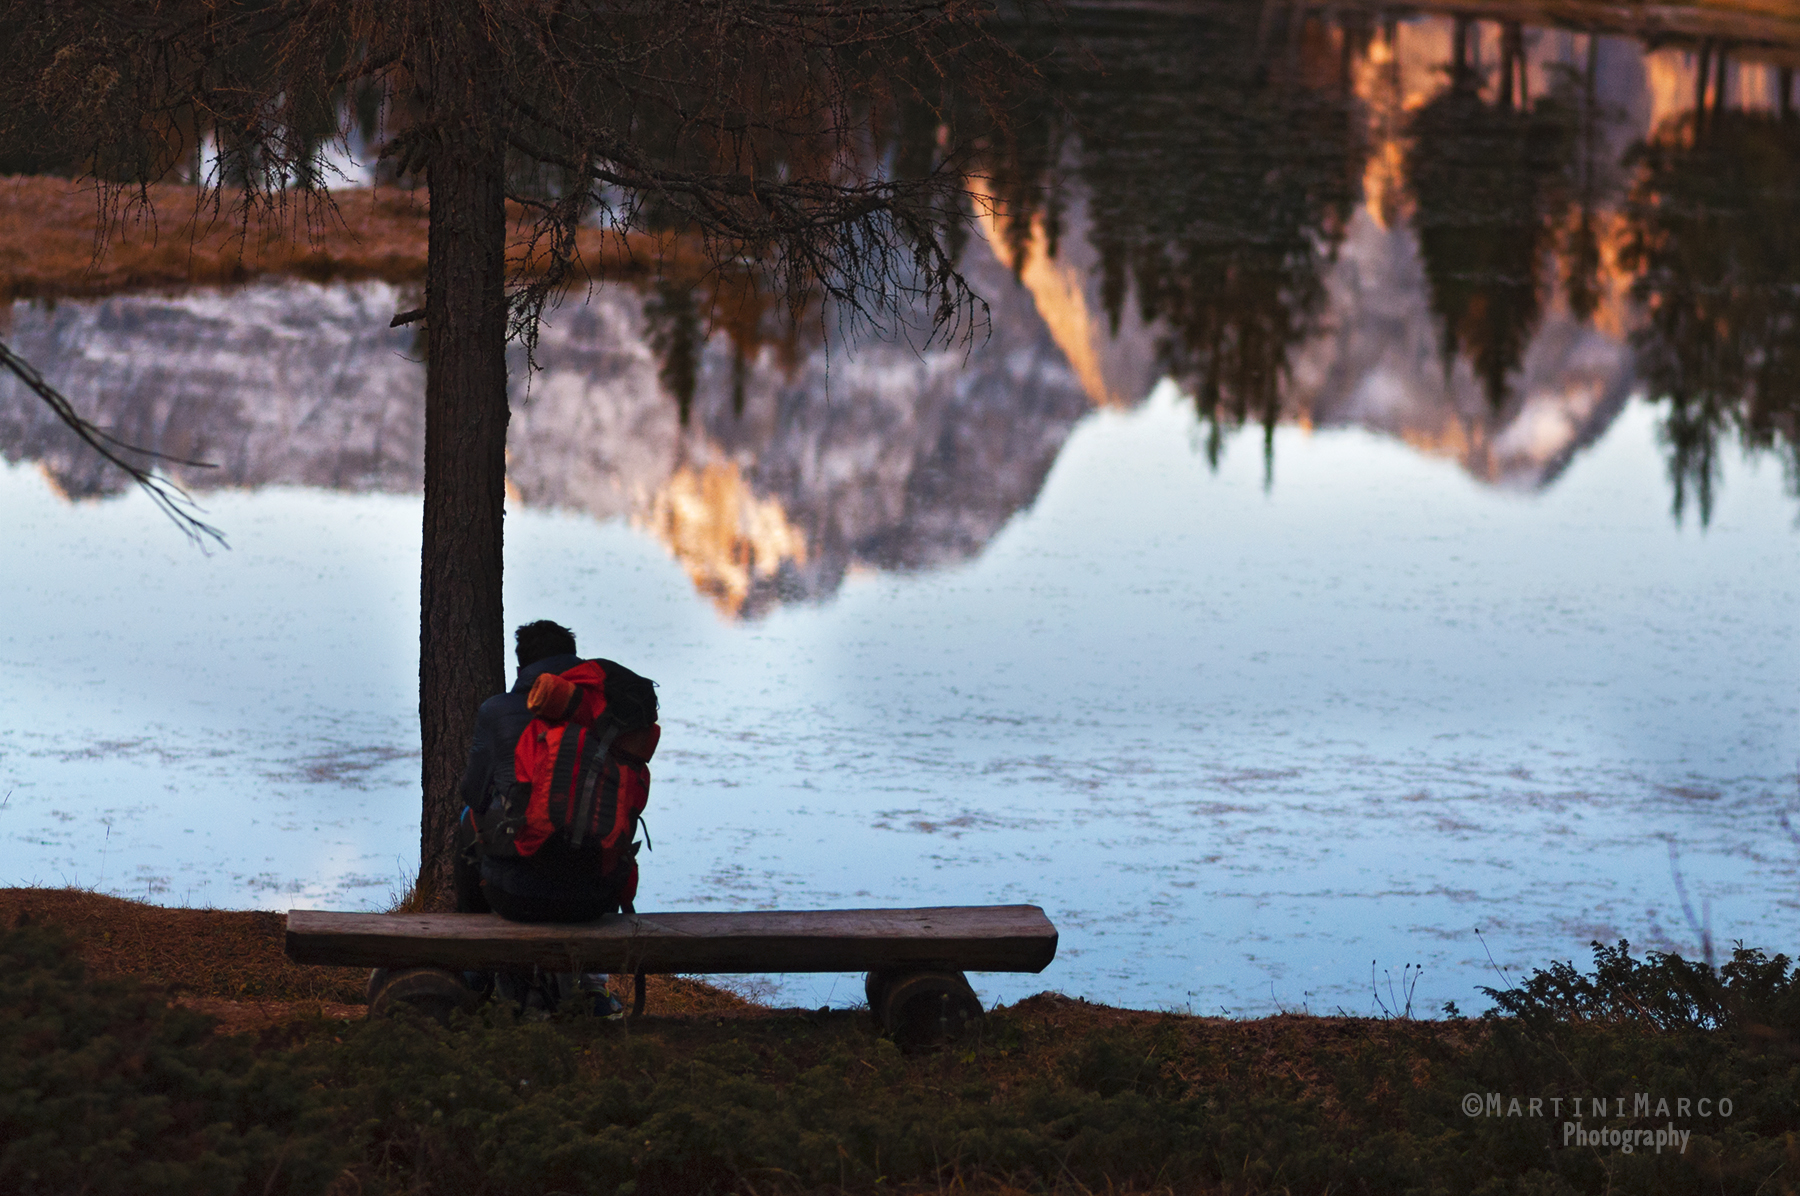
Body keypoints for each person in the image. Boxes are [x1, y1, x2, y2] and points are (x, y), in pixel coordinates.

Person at [455, 619, 630, 1014]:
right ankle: (592, 986)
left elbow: (474, 792)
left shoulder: (497, 711)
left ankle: (475, 967)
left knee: (469, 818)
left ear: (522, 669)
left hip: (515, 896)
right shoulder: (609, 714)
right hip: (594, 901)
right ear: (574, 659)